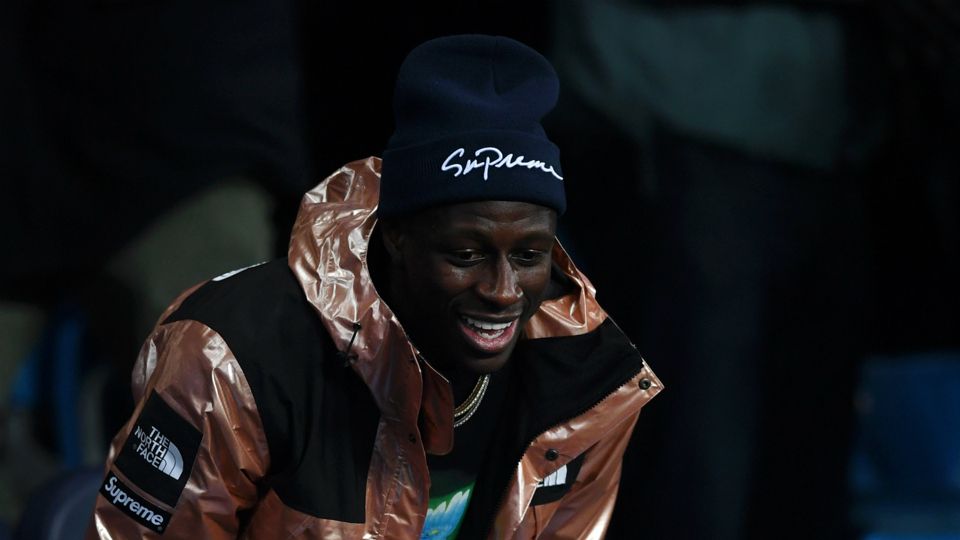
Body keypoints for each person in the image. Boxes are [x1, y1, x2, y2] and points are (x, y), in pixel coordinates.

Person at [85, 34, 662, 539]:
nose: (504, 290)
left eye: (529, 256)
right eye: (466, 255)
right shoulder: (232, 357)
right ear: (397, 236)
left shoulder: (584, 379)